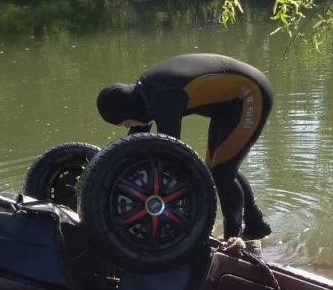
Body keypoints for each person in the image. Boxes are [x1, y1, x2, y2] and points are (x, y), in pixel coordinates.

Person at [96, 53, 273, 241]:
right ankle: (256, 225)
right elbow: (135, 144)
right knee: (218, 167)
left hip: (250, 93)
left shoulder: (163, 97)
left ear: (127, 110)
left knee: (222, 173)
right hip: (227, 105)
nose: (127, 127)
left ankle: (233, 238)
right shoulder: (142, 97)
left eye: (124, 123)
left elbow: (172, 152)